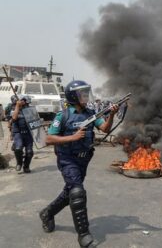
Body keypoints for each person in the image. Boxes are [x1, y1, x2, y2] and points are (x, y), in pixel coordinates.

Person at [39, 80, 119, 248]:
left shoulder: (90, 114)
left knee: (71, 192)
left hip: (84, 160)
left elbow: (104, 128)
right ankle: (84, 235)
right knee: (77, 192)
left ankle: (47, 213)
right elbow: (48, 138)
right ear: (73, 96)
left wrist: (111, 114)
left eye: (85, 92)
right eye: (82, 93)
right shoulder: (63, 115)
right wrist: (72, 137)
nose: (85, 96)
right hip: (67, 159)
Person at [11, 95, 34, 173]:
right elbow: (14, 118)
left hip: (28, 134)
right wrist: (17, 106)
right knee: (18, 149)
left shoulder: (30, 110)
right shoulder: (14, 110)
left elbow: (35, 121)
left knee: (30, 152)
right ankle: (19, 163)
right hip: (18, 133)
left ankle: (26, 166)